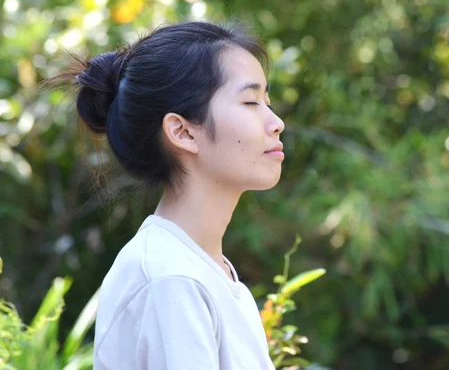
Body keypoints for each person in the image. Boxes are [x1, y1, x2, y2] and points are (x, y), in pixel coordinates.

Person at [58, 21, 284, 369]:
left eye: (267, 101)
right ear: (182, 132)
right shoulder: (171, 279)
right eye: (251, 101)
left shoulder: (202, 269)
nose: (276, 122)